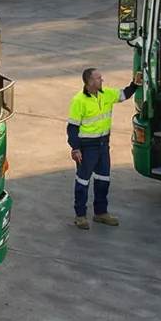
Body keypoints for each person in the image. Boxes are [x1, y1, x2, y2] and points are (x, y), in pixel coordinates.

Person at [67, 67, 139, 230]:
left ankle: (100, 212)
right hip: (87, 148)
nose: (102, 80)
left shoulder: (106, 93)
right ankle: (80, 215)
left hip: (102, 145)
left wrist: (135, 84)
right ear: (90, 82)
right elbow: (72, 128)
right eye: (99, 78)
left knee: (103, 179)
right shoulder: (79, 101)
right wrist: (75, 148)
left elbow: (123, 95)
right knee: (83, 181)